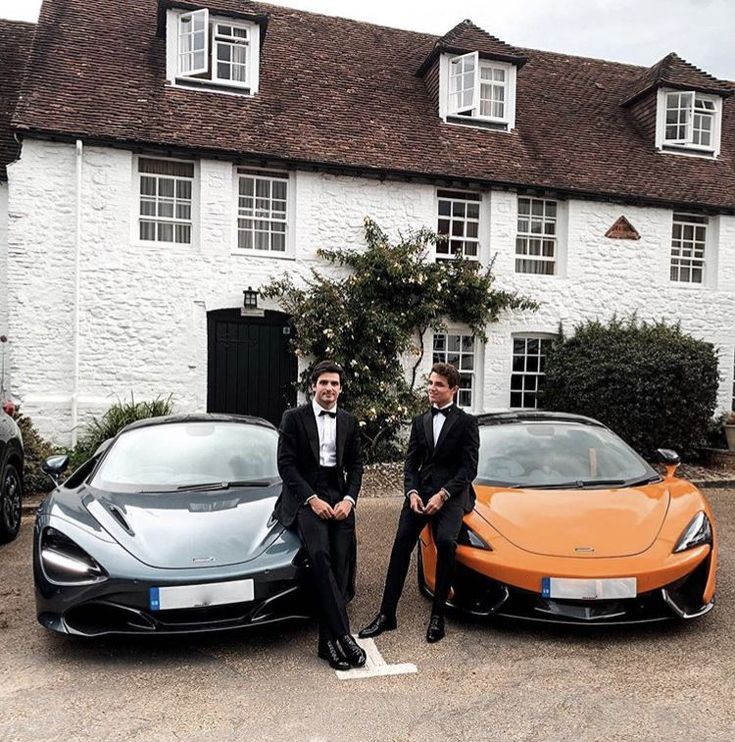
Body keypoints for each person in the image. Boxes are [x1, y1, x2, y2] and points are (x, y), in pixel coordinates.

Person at [359, 362, 479, 643]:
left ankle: (438, 615)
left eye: (438, 384)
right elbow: (411, 463)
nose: (431, 388)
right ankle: (387, 614)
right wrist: (411, 493)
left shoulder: (466, 423)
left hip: (452, 494)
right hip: (421, 492)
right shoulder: (420, 421)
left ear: (453, 390)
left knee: (447, 542)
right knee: (401, 543)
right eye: (430, 383)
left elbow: (468, 468)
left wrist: (444, 495)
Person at [274, 360, 366, 670]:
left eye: (335, 384)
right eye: (324, 383)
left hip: (337, 494)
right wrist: (312, 500)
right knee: (321, 556)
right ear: (313, 386)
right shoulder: (293, 418)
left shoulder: (350, 421)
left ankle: (327, 643)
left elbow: (355, 466)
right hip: (304, 495)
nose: (329, 388)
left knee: (341, 562)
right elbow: (286, 466)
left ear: (341, 388)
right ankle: (343, 635)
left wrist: (349, 499)